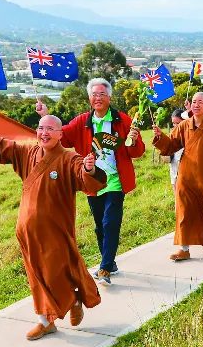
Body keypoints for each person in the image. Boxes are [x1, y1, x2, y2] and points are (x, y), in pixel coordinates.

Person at [0, 114, 106, 340]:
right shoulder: (29, 153)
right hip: (28, 231)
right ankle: (45, 321)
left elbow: (85, 177)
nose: (44, 133)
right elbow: (5, 146)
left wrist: (89, 169)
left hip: (56, 229)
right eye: (41, 128)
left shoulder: (69, 158)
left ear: (60, 134)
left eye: (50, 129)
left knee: (58, 272)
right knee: (36, 276)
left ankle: (74, 298)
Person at [37, 78, 144, 287]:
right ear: (89, 98)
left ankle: (104, 268)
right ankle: (110, 262)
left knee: (110, 222)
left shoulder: (122, 120)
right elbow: (62, 136)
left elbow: (136, 152)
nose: (98, 98)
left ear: (109, 98)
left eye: (102, 94)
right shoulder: (82, 121)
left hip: (115, 180)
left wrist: (135, 138)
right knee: (99, 227)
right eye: (95, 95)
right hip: (92, 180)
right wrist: (45, 116)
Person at [153, 92, 203, 261]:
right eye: (194, 102)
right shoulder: (183, 126)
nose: (196, 105)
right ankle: (184, 248)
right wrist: (161, 137)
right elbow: (171, 146)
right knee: (184, 211)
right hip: (186, 176)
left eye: (201, 102)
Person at [166, 109, 185, 188]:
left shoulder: (189, 135)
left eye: (178, 123)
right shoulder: (172, 134)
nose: (176, 125)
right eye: (174, 123)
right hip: (174, 165)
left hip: (185, 169)